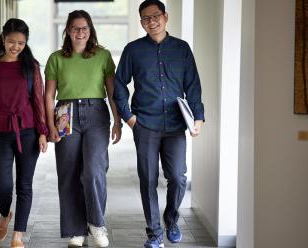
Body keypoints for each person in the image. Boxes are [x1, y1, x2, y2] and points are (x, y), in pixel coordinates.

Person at [113, 1, 205, 247]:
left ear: (165, 16)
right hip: (145, 124)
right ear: (141, 21)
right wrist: (129, 117)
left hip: (176, 125)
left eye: (155, 16)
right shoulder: (133, 50)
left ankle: (171, 220)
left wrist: (198, 118)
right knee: (148, 179)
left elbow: (193, 86)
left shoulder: (182, 49)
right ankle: (154, 233)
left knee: (178, 177)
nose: (151, 22)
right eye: (145, 18)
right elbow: (118, 84)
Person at [44, 10, 122, 248]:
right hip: (65, 114)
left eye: (85, 28)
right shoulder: (56, 58)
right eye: (76, 28)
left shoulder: (103, 56)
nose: (80, 32)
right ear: (67, 30)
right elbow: (48, 95)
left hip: (96, 112)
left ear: (91, 30)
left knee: (93, 172)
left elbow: (111, 92)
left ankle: (97, 224)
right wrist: (50, 125)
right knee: (68, 174)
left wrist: (117, 120)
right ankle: (76, 231)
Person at [0, 18, 48, 248]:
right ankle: (5, 214)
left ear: (26, 43)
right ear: (3, 39)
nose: (15, 47)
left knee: (25, 184)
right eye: (11, 42)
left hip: (28, 132)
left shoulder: (31, 66)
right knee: (3, 185)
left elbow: (38, 101)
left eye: (21, 43)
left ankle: (18, 235)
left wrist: (42, 132)